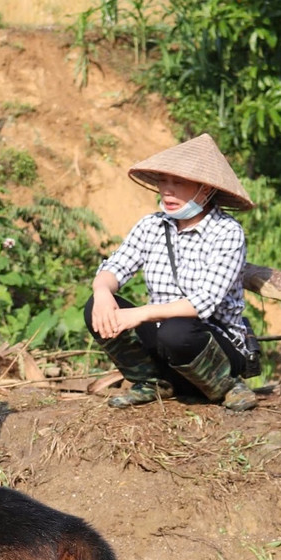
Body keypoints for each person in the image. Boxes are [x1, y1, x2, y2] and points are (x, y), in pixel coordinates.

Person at [85, 133, 260, 412]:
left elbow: (205, 301)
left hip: (213, 343)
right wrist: (102, 291)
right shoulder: (150, 226)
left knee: (175, 329)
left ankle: (227, 385)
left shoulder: (227, 232)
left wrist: (140, 313)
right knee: (97, 307)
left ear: (205, 190)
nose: (167, 190)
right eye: (163, 182)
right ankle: (153, 382)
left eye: (178, 183)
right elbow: (116, 266)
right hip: (165, 342)